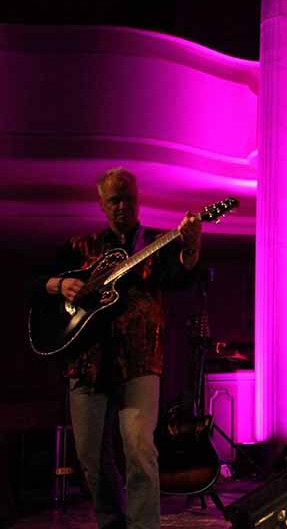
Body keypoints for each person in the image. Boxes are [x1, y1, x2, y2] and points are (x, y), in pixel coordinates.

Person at [36, 168, 202, 529]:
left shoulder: (156, 244)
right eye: (114, 200)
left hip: (140, 360)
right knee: (91, 457)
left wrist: (191, 245)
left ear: (138, 200)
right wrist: (60, 284)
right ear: (101, 204)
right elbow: (37, 283)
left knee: (140, 449)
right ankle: (112, 522)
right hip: (86, 362)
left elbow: (181, 275)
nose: (122, 206)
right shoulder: (80, 247)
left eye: (128, 198)